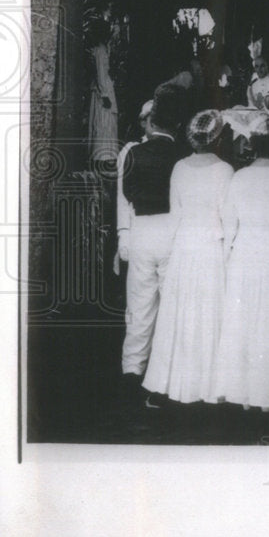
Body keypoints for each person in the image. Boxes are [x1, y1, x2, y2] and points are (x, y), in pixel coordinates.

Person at [212, 118, 269, 410]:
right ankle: (268, 396)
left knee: (243, 321)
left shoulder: (238, 179)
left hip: (243, 255)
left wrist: (228, 256)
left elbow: (229, 224)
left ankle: (245, 395)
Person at [142, 110, 233, 405]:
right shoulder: (225, 171)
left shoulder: (180, 168)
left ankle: (175, 383)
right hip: (211, 248)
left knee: (181, 315)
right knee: (208, 315)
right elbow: (228, 219)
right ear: (217, 138)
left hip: (184, 246)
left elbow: (176, 214)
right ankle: (208, 387)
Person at [119, 87, 187, 389]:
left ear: (153, 121)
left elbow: (128, 193)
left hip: (142, 229)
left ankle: (132, 368)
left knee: (139, 304)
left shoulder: (133, 153)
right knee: (171, 304)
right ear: (177, 124)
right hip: (172, 229)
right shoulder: (183, 157)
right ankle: (165, 373)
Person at [114, 99, 154, 277]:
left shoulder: (171, 150)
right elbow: (122, 196)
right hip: (136, 227)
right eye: (152, 119)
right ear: (143, 122)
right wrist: (124, 234)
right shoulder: (131, 150)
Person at [87, 17, 119, 163]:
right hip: (103, 89)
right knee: (104, 121)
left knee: (106, 122)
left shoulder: (103, 48)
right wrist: (105, 95)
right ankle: (103, 155)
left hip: (105, 86)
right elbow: (100, 74)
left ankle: (106, 154)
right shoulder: (100, 50)